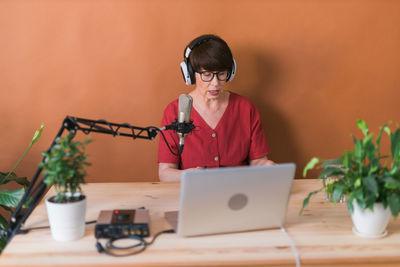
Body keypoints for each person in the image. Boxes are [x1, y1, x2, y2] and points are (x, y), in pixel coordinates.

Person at [158, 34, 274, 182]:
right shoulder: (174, 111)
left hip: (239, 195)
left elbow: (258, 161)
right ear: (190, 74)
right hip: (195, 195)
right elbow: (165, 172)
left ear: (230, 73)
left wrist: (269, 167)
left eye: (221, 74)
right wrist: (190, 176)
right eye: (207, 75)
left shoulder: (246, 108)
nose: (215, 83)